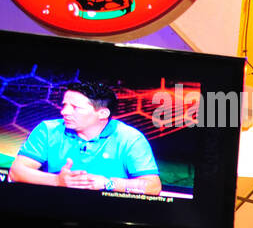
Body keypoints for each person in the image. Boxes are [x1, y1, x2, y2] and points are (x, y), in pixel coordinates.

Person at [8, 81, 162, 195]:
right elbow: (16, 172)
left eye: (75, 107)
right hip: (52, 209)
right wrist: (57, 181)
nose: (64, 112)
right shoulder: (48, 130)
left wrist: (106, 183)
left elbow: (153, 187)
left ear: (102, 113)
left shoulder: (130, 138)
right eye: (64, 105)